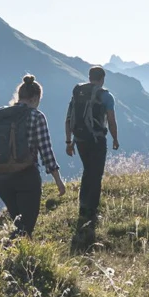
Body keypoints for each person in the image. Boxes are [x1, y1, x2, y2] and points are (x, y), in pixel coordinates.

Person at [0, 74, 66, 237]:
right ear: (36, 98)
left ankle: (14, 256)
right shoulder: (36, 116)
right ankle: (15, 257)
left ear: (19, 95)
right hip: (26, 177)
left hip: (2, 180)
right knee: (25, 227)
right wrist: (58, 181)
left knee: (18, 223)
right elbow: (46, 151)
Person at [65, 66, 120, 252]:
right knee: (96, 174)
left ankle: (83, 206)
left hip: (80, 139)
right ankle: (91, 211)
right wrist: (115, 138)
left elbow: (69, 118)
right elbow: (111, 120)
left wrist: (69, 141)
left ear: (89, 77)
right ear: (102, 78)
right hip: (97, 139)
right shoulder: (106, 96)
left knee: (88, 169)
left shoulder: (78, 92)